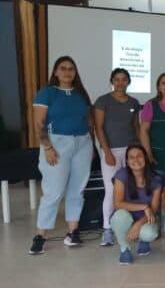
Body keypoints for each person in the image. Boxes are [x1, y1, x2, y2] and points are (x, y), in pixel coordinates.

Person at [29, 56, 94, 255]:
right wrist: (47, 147)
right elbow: (39, 124)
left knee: (77, 190)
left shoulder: (81, 94)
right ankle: (40, 235)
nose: (67, 72)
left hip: (82, 143)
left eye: (71, 69)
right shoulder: (46, 93)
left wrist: (91, 148)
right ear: (56, 72)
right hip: (56, 144)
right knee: (53, 192)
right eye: (63, 68)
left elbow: (89, 122)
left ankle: (72, 232)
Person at [94, 68, 140, 246]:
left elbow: (135, 126)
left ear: (128, 82)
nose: (120, 83)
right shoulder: (103, 101)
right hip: (111, 151)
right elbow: (98, 127)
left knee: (131, 188)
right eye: (117, 79)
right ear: (112, 81)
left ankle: (128, 225)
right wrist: (107, 152)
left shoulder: (134, 102)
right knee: (112, 190)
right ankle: (107, 229)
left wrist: (138, 150)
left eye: (124, 79)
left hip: (131, 151)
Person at [109, 145, 162, 264]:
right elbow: (118, 204)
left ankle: (144, 240)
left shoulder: (155, 179)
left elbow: (154, 208)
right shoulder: (122, 174)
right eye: (131, 157)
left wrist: (138, 224)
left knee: (149, 234)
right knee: (119, 216)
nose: (136, 160)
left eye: (139, 156)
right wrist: (144, 206)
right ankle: (124, 248)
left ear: (146, 158)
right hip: (126, 216)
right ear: (127, 161)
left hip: (146, 218)